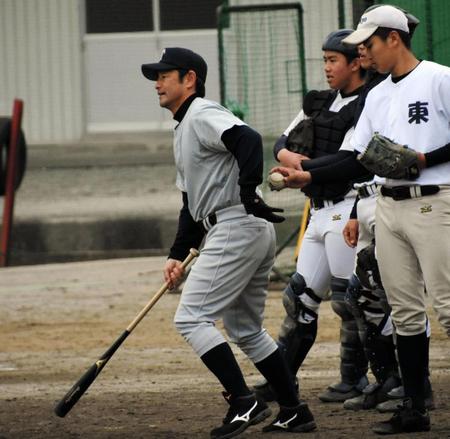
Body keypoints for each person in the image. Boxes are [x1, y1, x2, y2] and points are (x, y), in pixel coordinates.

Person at [273, 4, 450, 434]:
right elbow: (358, 159)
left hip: (434, 201)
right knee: (405, 312)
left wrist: (426, 157)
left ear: (394, 38)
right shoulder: (378, 95)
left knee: (447, 306)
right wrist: (308, 175)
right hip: (386, 205)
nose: (363, 53)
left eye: (368, 44)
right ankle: (412, 407)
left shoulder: (439, 78)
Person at [141, 47, 316, 439]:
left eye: (164, 75)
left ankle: (243, 401)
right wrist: (175, 254)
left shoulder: (201, 112)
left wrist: (249, 192)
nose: (157, 83)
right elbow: (191, 203)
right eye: (156, 76)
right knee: (245, 328)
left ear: (189, 78)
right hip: (238, 227)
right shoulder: (182, 127)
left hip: (236, 225)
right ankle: (295, 410)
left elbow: (248, 139)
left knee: (190, 318)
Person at [255, 29, 371, 405]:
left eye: (333, 60)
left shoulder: (367, 103)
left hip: (347, 208)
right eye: (324, 59)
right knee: (299, 298)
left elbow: (350, 161)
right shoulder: (318, 101)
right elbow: (280, 144)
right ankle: (282, 382)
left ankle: (357, 380)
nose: (326, 67)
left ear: (356, 63)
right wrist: (298, 165)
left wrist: (303, 169)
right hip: (317, 210)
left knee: (349, 300)